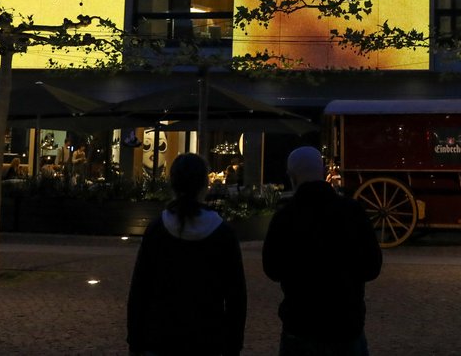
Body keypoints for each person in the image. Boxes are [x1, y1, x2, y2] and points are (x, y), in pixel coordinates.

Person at [263, 146, 383, 356]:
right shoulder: (352, 212)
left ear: (292, 176)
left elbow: (272, 269)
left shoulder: (285, 217)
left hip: (300, 325)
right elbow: (372, 267)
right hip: (346, 324)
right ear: (323, 171)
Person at [127, 152, 246, 356]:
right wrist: (233, 344)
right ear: (204, 185)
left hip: (161, 338)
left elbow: (139, 290)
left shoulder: (157, 230)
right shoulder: (222, 233)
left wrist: (135, 341)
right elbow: (236, 297)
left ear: (172, 184)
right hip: (208, 339)